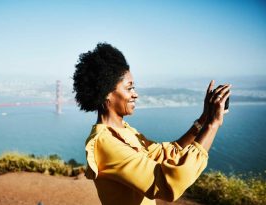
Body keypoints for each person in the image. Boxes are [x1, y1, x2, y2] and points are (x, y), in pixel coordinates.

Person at [72, 43, 231, 205]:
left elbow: (165, 153)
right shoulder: (104, 143)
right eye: (129, 88)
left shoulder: (124, 130)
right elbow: (168, 185)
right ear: (106, 93)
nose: (136, 94)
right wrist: (213, 124)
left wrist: (203, 120)